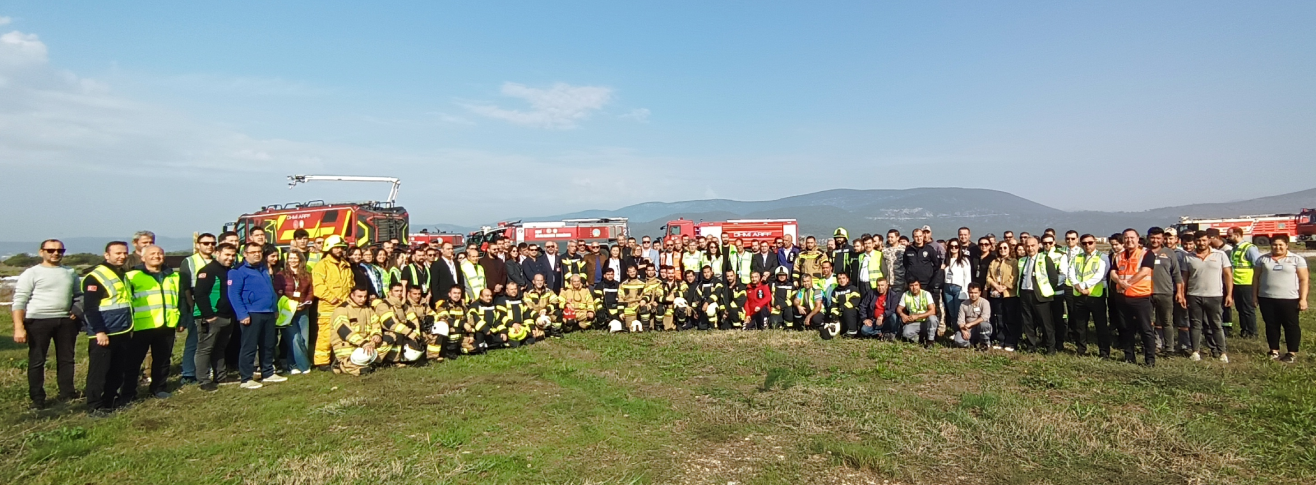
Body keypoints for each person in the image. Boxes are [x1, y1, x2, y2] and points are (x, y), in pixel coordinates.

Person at [12, 239, 81, 409]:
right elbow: (20, 301)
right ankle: (38, 398)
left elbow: (79, 294)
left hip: (65, 321)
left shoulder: (70, 272)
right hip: (38, 321)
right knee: (37, 360)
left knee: (67, 359)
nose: (55, 253)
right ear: (41, 252)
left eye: (60, 250)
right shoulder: (31, 273)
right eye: (50, 250)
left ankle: (67, 392)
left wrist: (77, 310)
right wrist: (19, 327)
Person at [82, 242, 134, 414]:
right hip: (104, 332)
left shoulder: (122, 274)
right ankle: (94, 405)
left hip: (122, 329)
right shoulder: (95, 277)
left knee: (117, 370)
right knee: (99, 372)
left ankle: (109, 401)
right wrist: (99, 331)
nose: (122, 256)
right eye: (117, 253)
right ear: (106, 255)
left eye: (124, 253)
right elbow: (90, 308)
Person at [123, 245, 180, 401]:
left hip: (166, 324)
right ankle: (128, 392)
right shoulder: (132, 276)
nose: (157, 256)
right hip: (141, 325)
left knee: (162, 360)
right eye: (152, 254)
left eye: (160, 253)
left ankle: (159, 388)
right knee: (133, 362)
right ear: (143, 258)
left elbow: (178, 299)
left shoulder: (173, 276)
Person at [229, 242, 286, 388]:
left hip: (268, 312)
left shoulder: (263, 269)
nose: (257, 254)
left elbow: (269, 290)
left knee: (268, 344)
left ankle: (268, 372)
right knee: (249, 346)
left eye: (259, 251)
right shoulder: (237, 271)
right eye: (253, 252)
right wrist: (242, 314)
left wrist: (274, 308)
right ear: (245, 254)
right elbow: (234, 295)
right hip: (252, 313)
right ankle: (246, 378)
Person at [1252, 234, 1308, 363]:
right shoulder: (1262, 259)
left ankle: (1291, 352)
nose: (1277, 247)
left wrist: (1303, 299)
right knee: (1271, 325)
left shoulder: (1296, 259)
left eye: (1280, 245)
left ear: (1286, 245)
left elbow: (1304, 280)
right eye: (1274, 245)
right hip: (1266, 298)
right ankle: (1274, 350)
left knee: (1291, 325)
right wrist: (1254, 296)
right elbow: (1255, 278)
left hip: (1289, 298)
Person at [193, 243, 237, 391]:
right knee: (205, 349)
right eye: (227, 255)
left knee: (220, 348)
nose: (230, 258)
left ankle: (221, 376)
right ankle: (203, 380)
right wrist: (209, 316)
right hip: (211, 317)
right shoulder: (208, 271)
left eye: (232, 255)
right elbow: (199, 295)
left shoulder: (229, 271)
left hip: (227, 316)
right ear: (217, 253)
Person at [1111, 228, 1158, 366]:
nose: (1129, 240)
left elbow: (1145, 271)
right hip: (1122, 297)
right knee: (1126, 328)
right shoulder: (1119, 256)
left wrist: (1127, 284)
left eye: (1132, 237)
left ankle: (1150, 360)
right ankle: (1129, 357)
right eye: (1126, 238)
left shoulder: (1146, 253)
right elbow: (1113, 272)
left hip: (1140, 297)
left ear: (1138, 239)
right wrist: (1120, 282)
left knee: (1145, 329)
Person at [1183, 231, 1232, 363]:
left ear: (1209, 240)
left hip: (1214, 295)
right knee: (1195, 324)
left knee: (1216, 324)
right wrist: (1182, 294)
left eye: (1204, 240)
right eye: (1198, 240)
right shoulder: (1188, 257)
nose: (1201, 243)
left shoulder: (1220, 255)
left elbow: (1228, 275)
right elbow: (1185, 278)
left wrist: (1229, 294)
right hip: (1194, 295)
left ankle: (1222, 352)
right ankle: (1195, 352)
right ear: (1194, 241)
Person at [177, 232, 216, 385]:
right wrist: (192, 305)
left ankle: (206, 369)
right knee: (194, 340)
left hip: (213, 305)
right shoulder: (189, 261)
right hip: (196, 305)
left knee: (209, 340)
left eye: (213, 243)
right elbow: (185, 287)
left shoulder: (216, 260)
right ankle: (188, 373)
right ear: (198, 245)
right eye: (206, 243)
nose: (210, 246)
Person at [311, 235, 353, 371]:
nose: (339, 250)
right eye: (336, 248)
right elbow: (318, 287)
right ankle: (322, 362)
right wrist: (332, 298)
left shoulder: (346, 265)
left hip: (345, 306)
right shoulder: (321, 266)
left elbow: (351, 284)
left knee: (345, 333)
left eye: (341, 248)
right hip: (328, 306)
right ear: (329, 248)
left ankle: (341, 359)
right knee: (325, 334)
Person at [1066, 234, 1109, 358]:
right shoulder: (1077, 257)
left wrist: (1084, 285)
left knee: (1100, 325)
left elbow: (1099, 275)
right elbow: (1071, 273)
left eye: (1090, 242)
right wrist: (1076, 285)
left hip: (1095, 295)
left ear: (1095, 242)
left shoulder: (1101, 257)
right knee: (1080, 325)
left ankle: (1104, 351)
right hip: (1078, 295)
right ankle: (1081, 349)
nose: (1087, 245)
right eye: (1084, 243)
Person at [1017, 236, 1060, 354]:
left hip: (1041, 295)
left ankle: (1050, 347)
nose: (1030, 248)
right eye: (1027, 246)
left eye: (1032, 246)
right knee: (1028, 322)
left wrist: (1046, 290)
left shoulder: (1045, 259)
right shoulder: (1022, 261)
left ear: (1038, 246)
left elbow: (1053, 278)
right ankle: (1031, 346)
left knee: (1045, 323)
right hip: (1025, 293)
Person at [274, 250, 314, 375]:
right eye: (290, 258)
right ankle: (305, 365)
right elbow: (277, 292)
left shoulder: (307, 275)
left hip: (303, 310)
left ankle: (293, 365)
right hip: (287, 311)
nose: (293, 260)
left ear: (300, 260)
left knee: (304, 339)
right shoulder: (281, 275)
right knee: (294, 338)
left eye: (295, 258)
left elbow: (310, 292)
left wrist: (306, 303)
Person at [1145, 227, 1184, 355]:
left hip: (1165, 292)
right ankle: (1153, 346)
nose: (1155, 240)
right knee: (1148, 322)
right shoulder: (1143, 252)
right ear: (1148, 238)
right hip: (1146, 292)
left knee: (1167, 322)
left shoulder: (1169, 253)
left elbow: (1177, 274)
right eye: (1152, 238)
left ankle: (1169, 348)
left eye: (1158, 238)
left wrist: (1179, 292)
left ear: (1162, 239)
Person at [330, 287, 385, 375]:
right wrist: (363, 343)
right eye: (359, 296)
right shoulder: (342, 309)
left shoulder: (367, 309)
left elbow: (375, 323)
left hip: (365, 343)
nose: (362, 299)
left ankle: (366, 363)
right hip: (347, 344)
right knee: (360, 367)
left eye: (365, 296)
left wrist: (377, 334)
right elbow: (344, 330)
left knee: (389, 338)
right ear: (352, 295)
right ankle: (342, 365)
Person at [1227, 227, 1261, 339]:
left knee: (1248, 309)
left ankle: (1252, 332)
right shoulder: (1235, 248)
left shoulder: (1249, 248)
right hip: (1236, 282)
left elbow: (1258, 265)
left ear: (1236, 235)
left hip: (1247, 282)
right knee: (1240, 308)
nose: (1228, 238)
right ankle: (1244, 330)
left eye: (1229, 235)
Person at [943, 240, 972, 335]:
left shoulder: (964, 260)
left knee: (958, 311)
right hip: (947, 287)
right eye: (951, 246)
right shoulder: (946, 260)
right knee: (951, 312)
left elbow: (967, 277)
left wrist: (965, 291)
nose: (953, 248)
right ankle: (955, 331)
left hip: (958, 288)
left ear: (959, 248)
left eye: (956, 246)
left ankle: (961, 331)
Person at [897, 280, 938, 345]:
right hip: (914, 322)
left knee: (933, 318)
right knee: (905, 334)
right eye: (911, 286)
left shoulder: (926, 294)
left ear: (919, 286)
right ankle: (921, 338)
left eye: (916, 285)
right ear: (908, 286)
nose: (914, 288)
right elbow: (899, 308)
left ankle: (930, 340)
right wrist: (903, 315)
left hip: (926, 322)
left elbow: (933, 311)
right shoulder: (906, 294)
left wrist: (918, 316)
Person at [433, 286, 468, 360]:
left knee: (475, 348)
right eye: (454, 293)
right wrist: (463, 324)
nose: (457, 295)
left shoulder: (463, 307)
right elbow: (445, 319)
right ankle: (444, 351)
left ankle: (459, 349)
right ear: (449, 294)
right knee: (443, 326)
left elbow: (469, 320)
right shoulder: (443, 306)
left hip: (461, 335)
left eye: (459, 293)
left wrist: (471, 335)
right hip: (448, 335)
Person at [954, 283, 992, 349]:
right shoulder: (963, 304)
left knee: (984, 325)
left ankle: (985, 343)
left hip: (980, 328)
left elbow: (985, 317)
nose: (973, 295)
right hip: (968, 329)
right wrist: (963, 331)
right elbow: (960, 320)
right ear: (968, 292)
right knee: (958, 341)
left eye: (975, 293)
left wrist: (971, 324)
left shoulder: (985, 302)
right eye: (971, 292)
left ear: (980, 293)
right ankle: (971, 344)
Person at [828, 272, 862, 338]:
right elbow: (834, 304)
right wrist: (834, 314)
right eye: (839, 278)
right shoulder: (835, 291)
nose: (841, 280)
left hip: (853, 313)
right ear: (837, 280)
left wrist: (844, 307)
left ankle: (853, 331)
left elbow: (855, 300)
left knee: (848, 310)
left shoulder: (853, 288)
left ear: (847, 279)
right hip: (841, 313)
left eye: (843, 278)